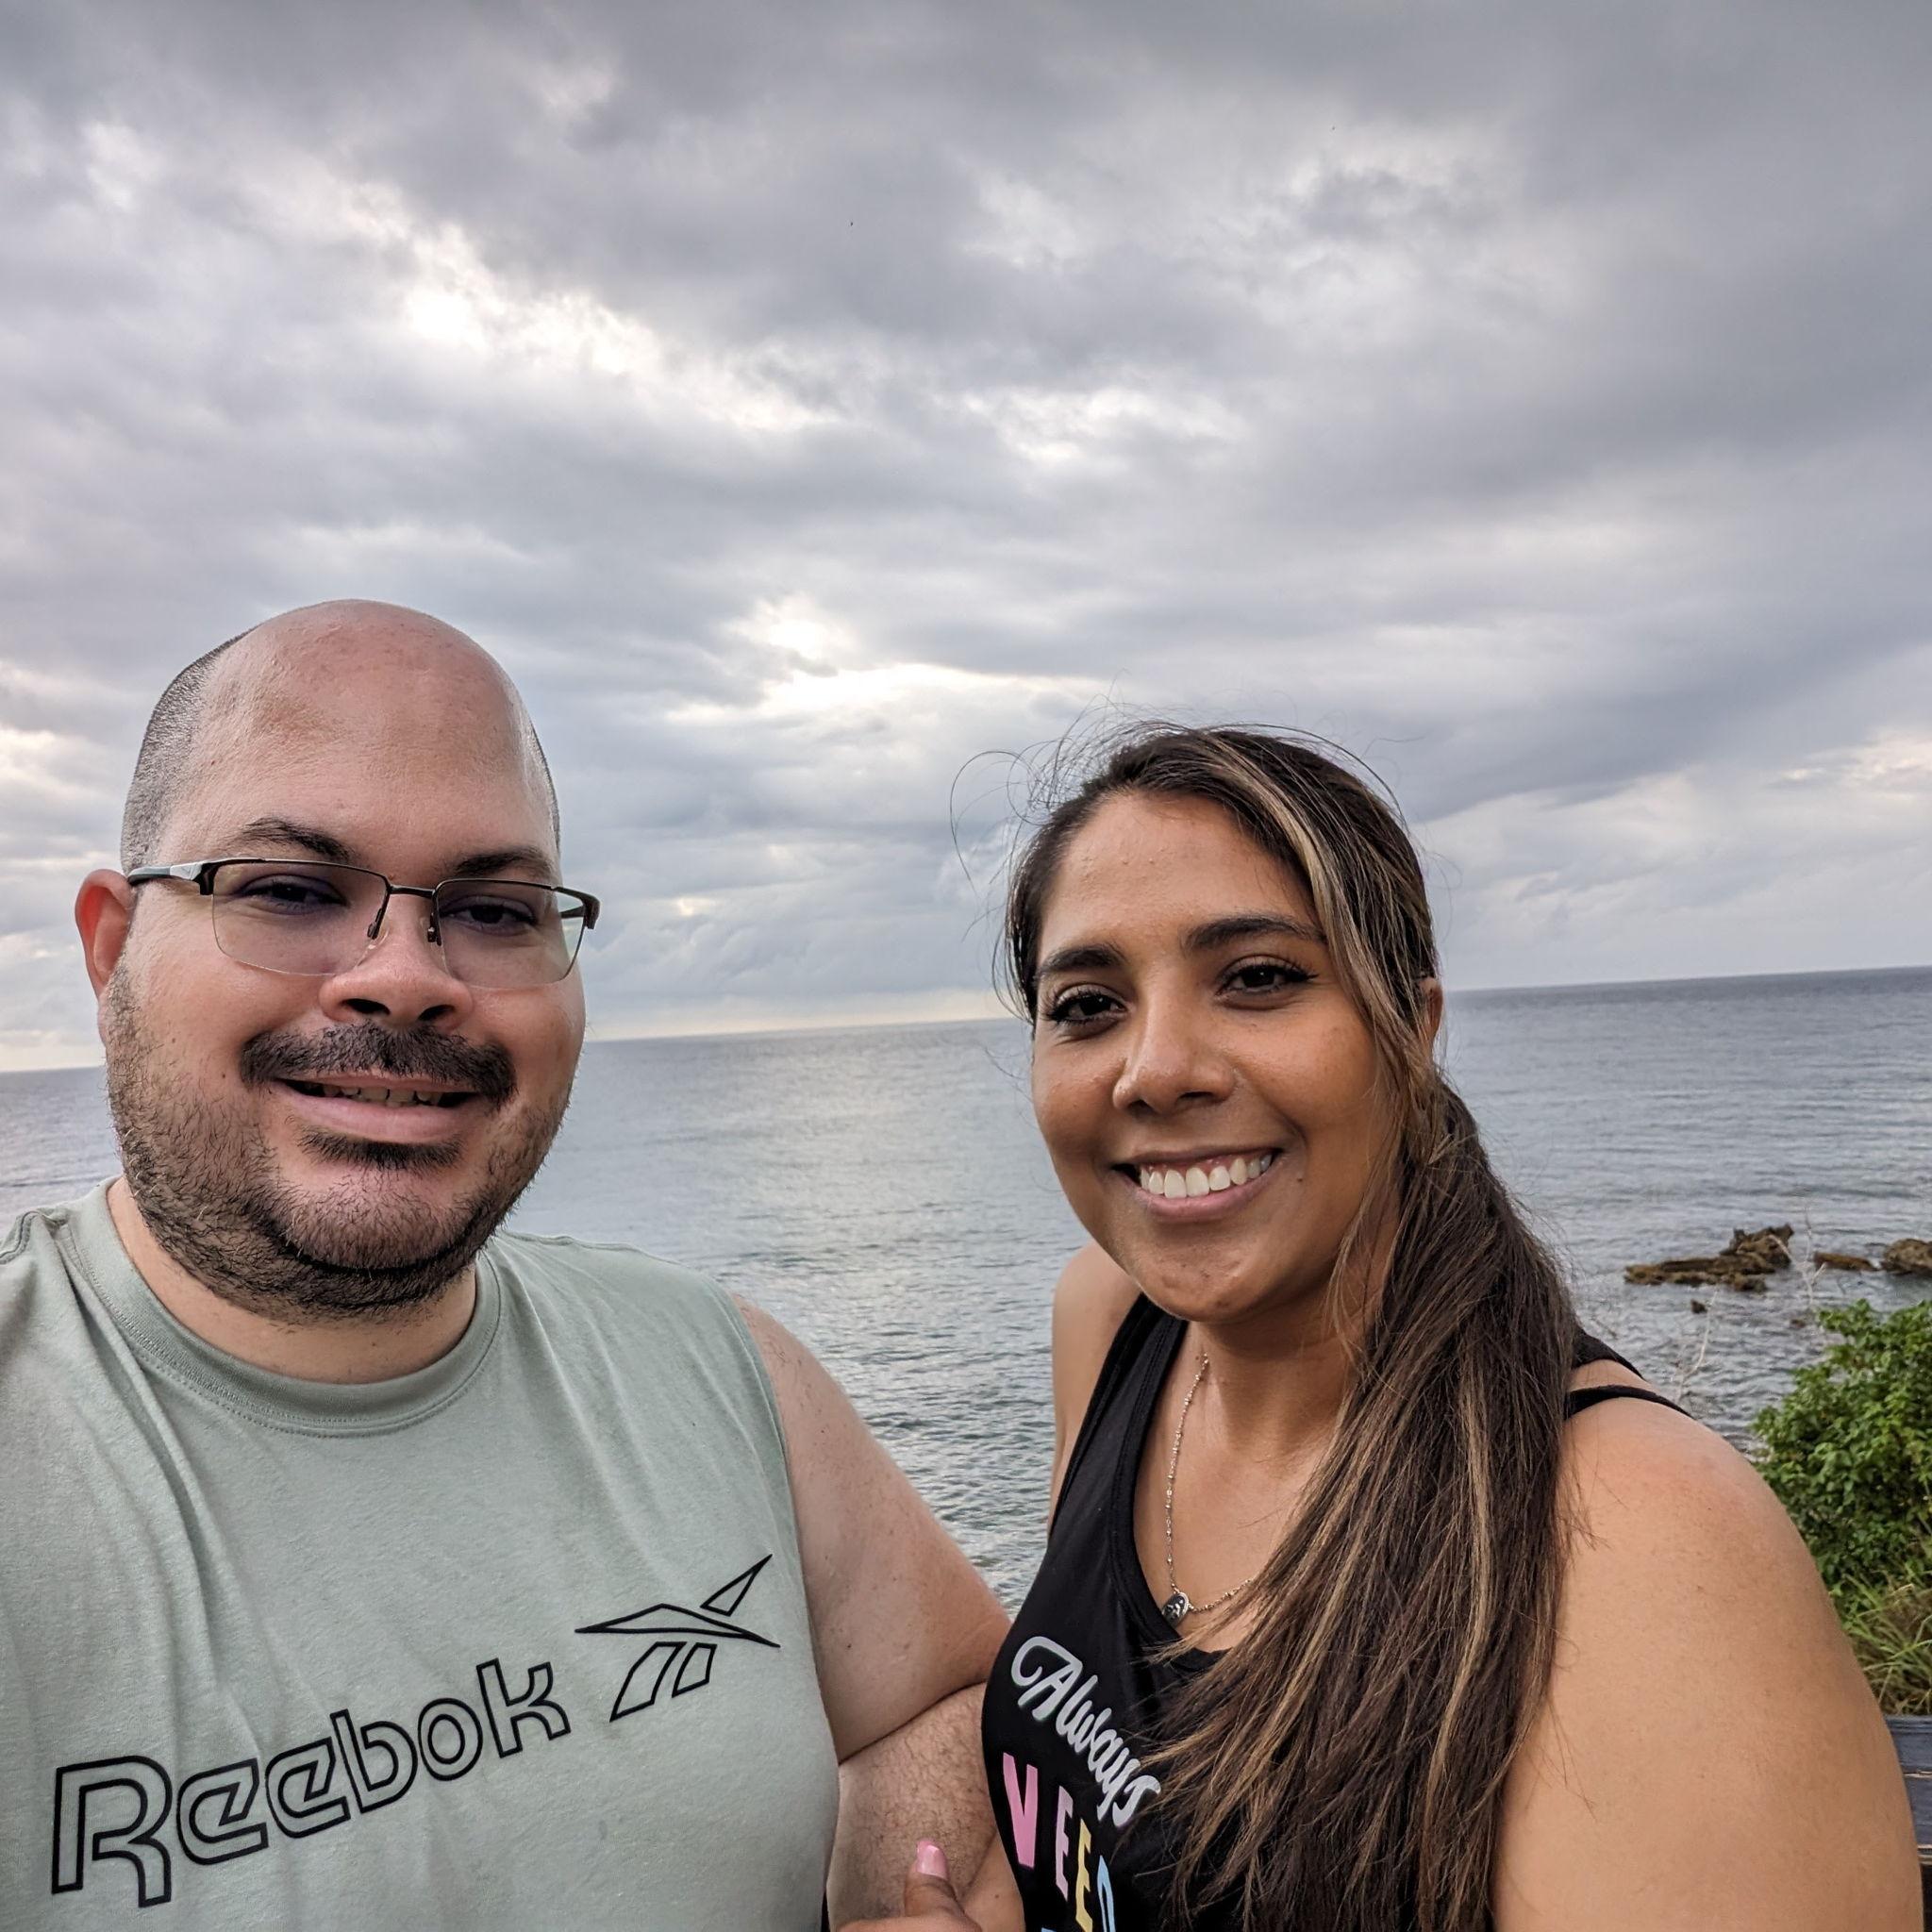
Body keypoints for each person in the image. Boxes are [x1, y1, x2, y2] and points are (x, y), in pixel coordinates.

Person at [0, 601, 1007, 1928]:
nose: (403, 977)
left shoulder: (718, 1372)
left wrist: (907, 1890)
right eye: (291, 890)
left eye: (490, 909)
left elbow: (949, 1697)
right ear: (111, 947)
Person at [853, 725, 1920, 1931]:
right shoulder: (1111, 1326)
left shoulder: (1634, 1537)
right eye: (1088, 1004)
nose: (1153, 1068)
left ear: (1410, 1029)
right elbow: (1095, 1829)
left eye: (1257, 976)